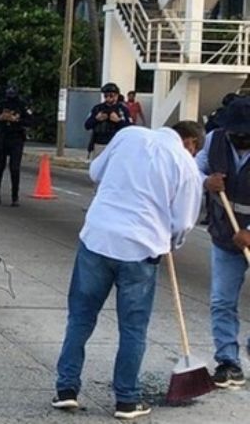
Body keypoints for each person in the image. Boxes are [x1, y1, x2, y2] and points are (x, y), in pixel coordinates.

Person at [52, 121, 204, 420]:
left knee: (80, 319)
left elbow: (95, 172)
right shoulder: (185, 163)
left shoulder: (128, 134)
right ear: (191, 143)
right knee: (132, 329)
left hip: (97, 238)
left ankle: (66, 390)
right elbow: (184, 221)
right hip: (141, 249)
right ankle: (126, 400)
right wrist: (171, 242)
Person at [197, 96, 250, 388]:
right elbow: (193, 168)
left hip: (247, 233)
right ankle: (228, 362)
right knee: (222, 301)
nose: (241, 139)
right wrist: (206, 181)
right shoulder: (214, 140)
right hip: (224, 234)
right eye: (237, 133)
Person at [0, 85, 33, 207]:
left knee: (15, 168)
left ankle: (15, 197)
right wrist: (0, 117)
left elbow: (30, 121)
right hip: (2, 137)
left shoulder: (22, 105)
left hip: (16, 138)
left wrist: (17, 120)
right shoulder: (1, 104)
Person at [84, 83, 132, 159]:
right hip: (99, 144)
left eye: (111, 96)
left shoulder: (122, 110)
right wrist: (96, 119)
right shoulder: (97, 108)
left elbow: (130, 128)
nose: (108, 98)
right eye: (106, 96)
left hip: (116, 145)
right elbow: (87, 125)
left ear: (116, 96)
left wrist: (118, 121)